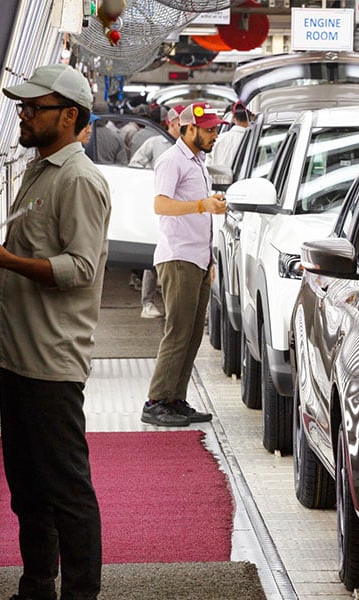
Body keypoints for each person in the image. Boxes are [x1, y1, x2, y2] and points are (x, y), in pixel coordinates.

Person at [0, 63, 109, 600]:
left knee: (65, 489)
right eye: (22, 108)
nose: (24, 117)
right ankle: (37, 588)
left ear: (70, 115)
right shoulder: (40, 171)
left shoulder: (79, 180)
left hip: (51, 361)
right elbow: (28, 256)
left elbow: (80, 268)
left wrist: (7, 259)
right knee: (29, 490)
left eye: (35, 109)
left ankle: (81, 592)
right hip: (18, 356)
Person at [141, 102, 228, 427]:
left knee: (192, 335)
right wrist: (201, 204)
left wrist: (211, 259)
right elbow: (160, 204)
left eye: (215, 129)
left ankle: (175, 399)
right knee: (178, 332)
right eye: (208, 130)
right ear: (189, 129)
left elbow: (201, 215)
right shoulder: (171, 160)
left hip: (199, 260)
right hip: (178, 258)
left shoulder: (199, 162)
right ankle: (156, 401)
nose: (214, 135)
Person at [129, 105, 185, 319]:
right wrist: (152, 179)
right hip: (160, 207)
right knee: (155, 254)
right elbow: (134, 164)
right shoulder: (154, 144)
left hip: (182, 209)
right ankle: (147, 303)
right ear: (171, 123)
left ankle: (175, 303)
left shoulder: (188, 146)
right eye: (181, 122)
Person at [206, 100, 252, 178]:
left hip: (217, 188)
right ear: (251, 117)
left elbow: (207, 169)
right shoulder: (256, 142)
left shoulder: (216, 140)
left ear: (233, 118)